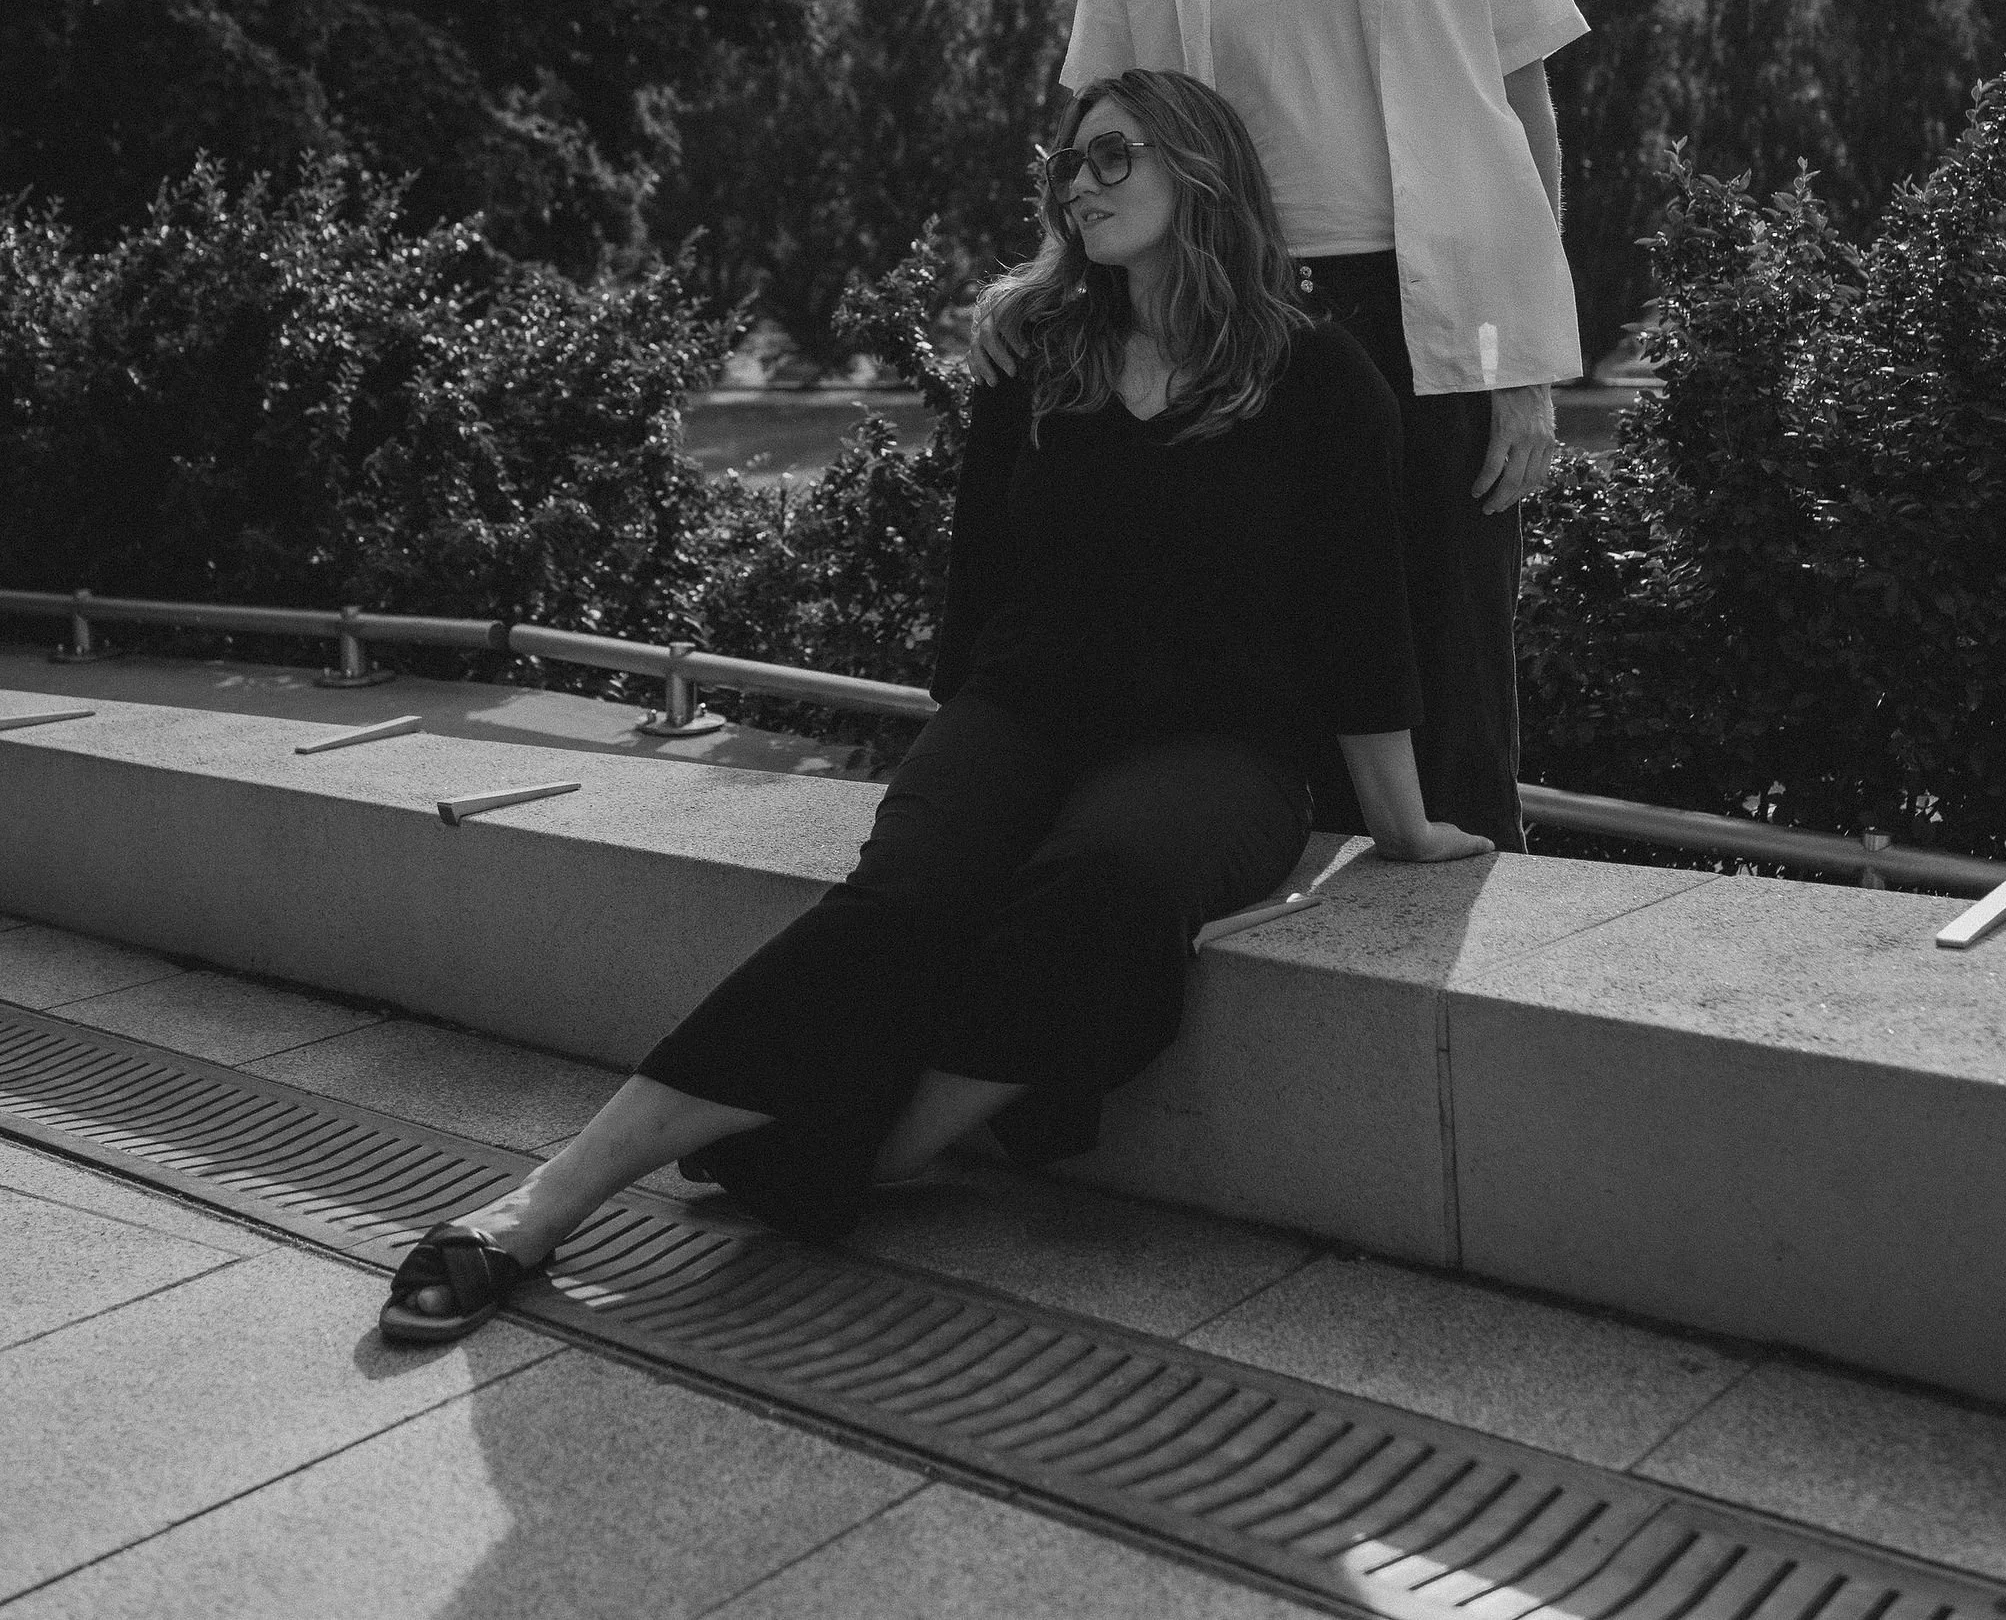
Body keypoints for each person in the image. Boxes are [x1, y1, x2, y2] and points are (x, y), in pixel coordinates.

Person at [380, 68, 1486, 1345]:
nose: (1079, 185)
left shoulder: (1316, 377)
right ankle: (537, 1206)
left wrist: (1401, 828)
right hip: (1025, 710)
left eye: (1113, 157)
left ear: (1201, 170)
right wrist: (967, 780)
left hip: (1220, 747)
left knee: (1108, 891)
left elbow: (1362, 626)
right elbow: (980, 594)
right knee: (906, 905)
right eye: (1068, 165)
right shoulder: (1038, 356)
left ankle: (873, 1153)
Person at [976, 0, 1588, 852]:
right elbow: (1105, 136)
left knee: (1455, 652)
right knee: (1273, 644)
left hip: (1435, 323)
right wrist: (1034, 283)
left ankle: (1457, 977)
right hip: (1237, 321)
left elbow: (1526, 120)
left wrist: (1527, 370)